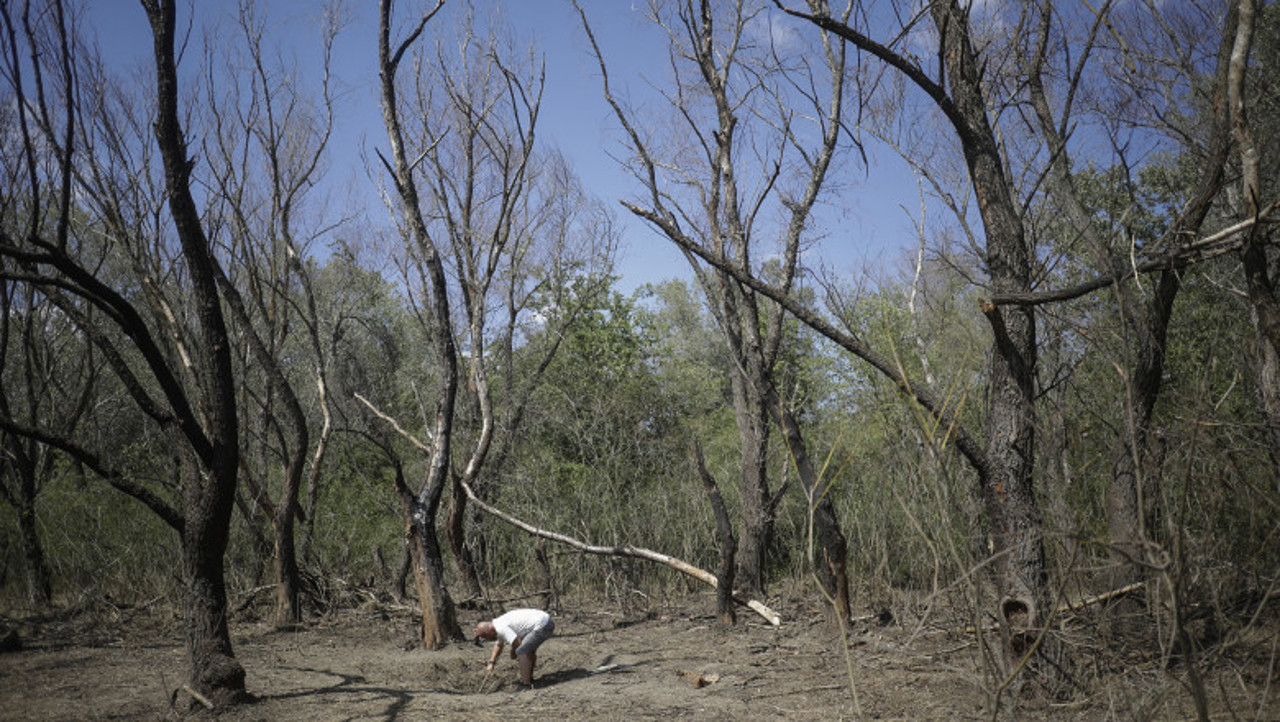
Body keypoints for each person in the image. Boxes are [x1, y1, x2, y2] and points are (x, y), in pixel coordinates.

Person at [475, 608, 555, 687]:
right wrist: (491, 663)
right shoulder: (497, 624)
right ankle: (529, 679)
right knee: (528, 650)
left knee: (522, 651)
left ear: (489, 631)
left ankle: (526, 684)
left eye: (486, 637)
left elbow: (517, 643)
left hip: (543, 625)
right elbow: (499, 645)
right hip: (544, 621)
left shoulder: (500, 628)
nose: (487, 639)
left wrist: (513, 652)